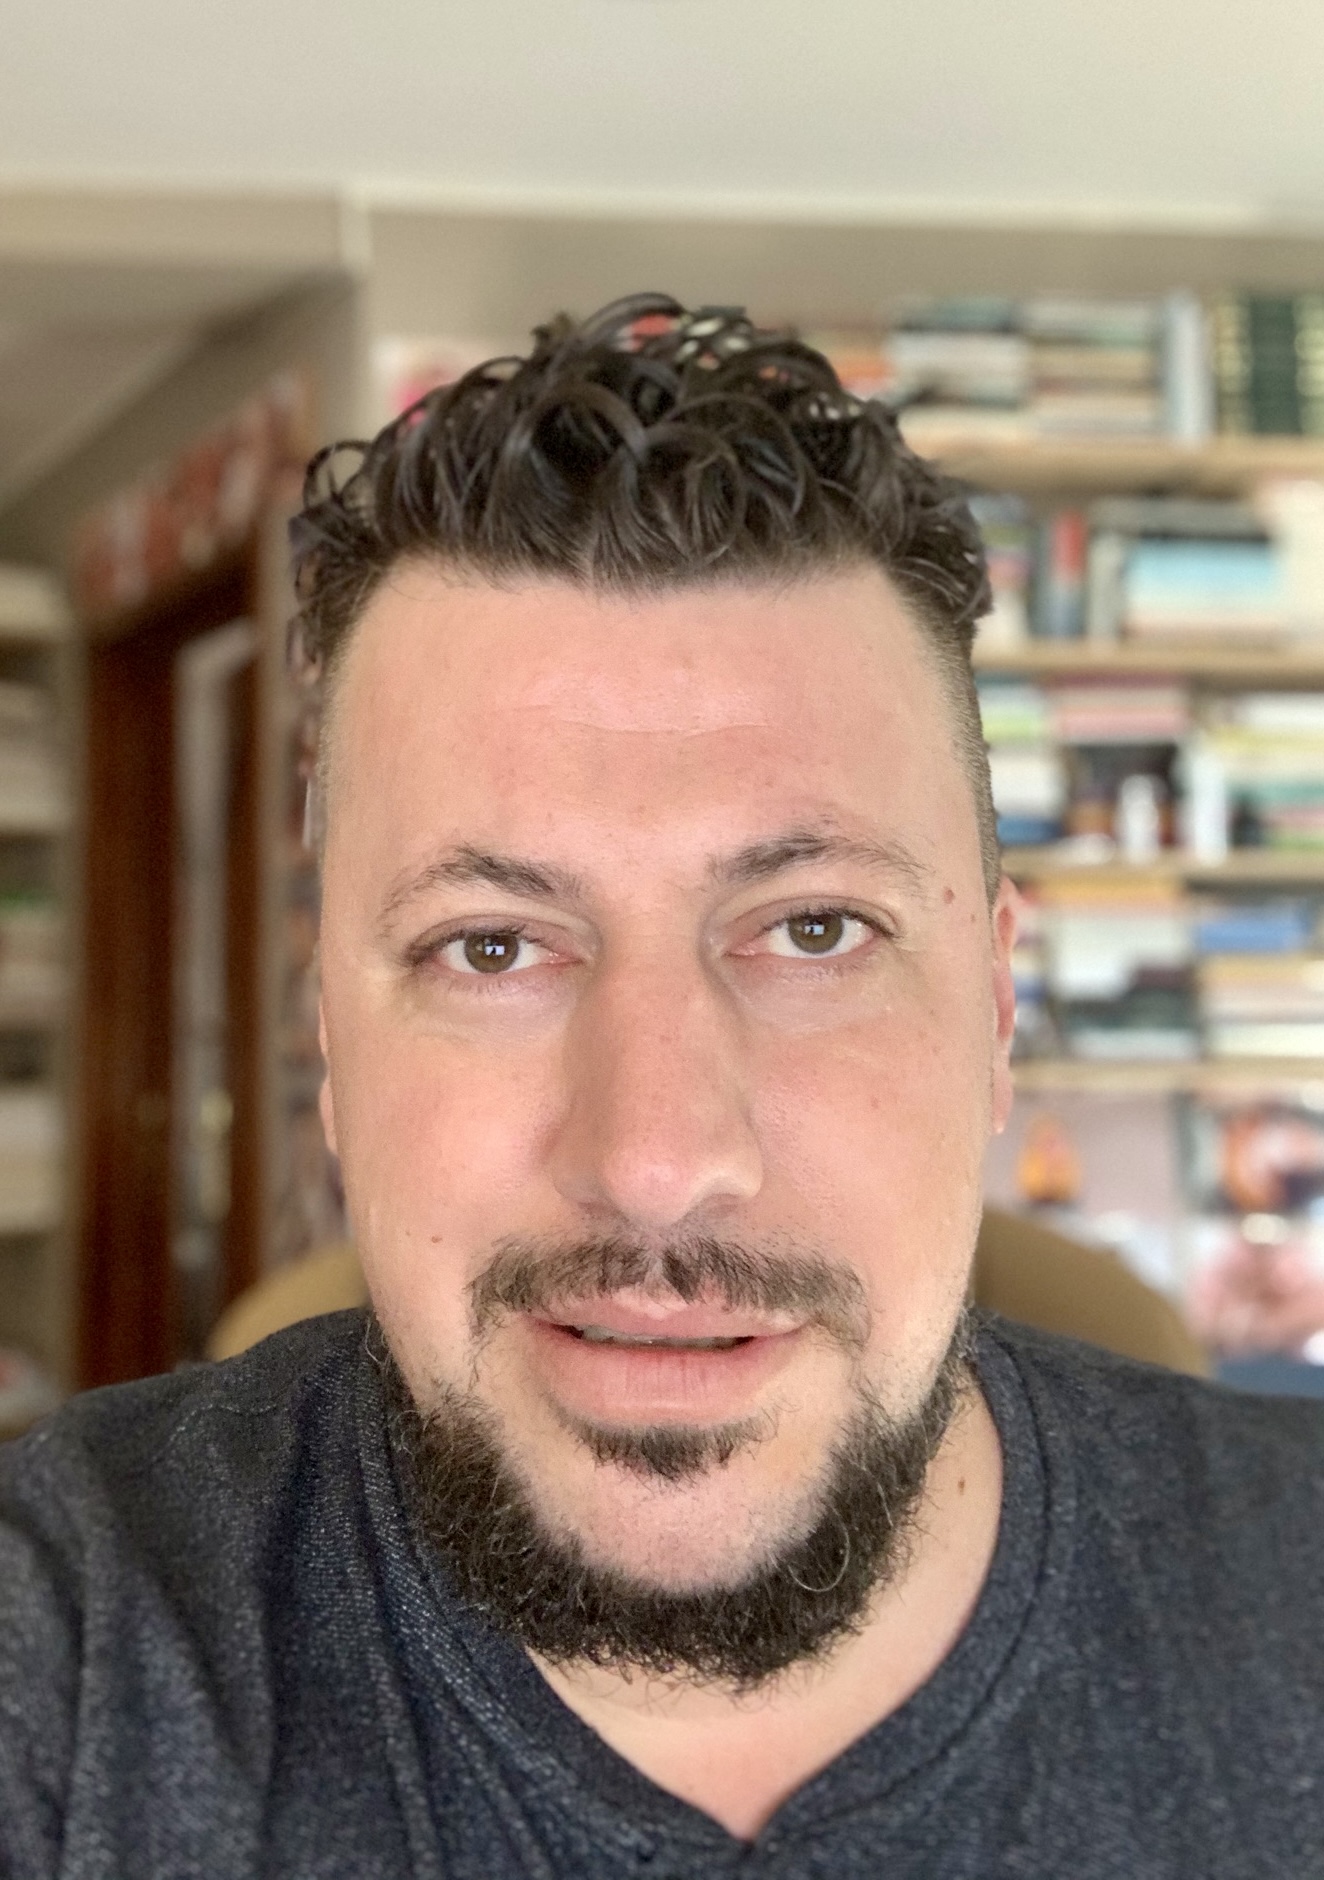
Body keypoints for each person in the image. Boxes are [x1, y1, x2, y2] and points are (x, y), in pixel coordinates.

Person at [3, 295, 1322, 1879]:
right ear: (332, 1049)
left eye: (814, 929)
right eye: (491, 947)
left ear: (994, 1006)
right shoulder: (67, 1646)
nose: (655, 1159)